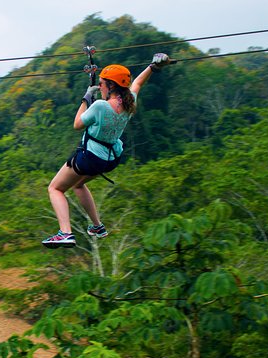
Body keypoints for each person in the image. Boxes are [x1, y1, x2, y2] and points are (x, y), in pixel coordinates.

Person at [42, 53, 171, 248]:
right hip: (110, 159)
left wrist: (86, 99)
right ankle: (97, 226)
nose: (99, 87)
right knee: (78, 185)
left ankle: (65, 233)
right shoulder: (130, 102)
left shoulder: (101, 106)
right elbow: (137, 83)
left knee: (55, 188)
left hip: (90, 157)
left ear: (111, 86)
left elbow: (77, 124)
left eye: (101, 83)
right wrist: (153, 67)